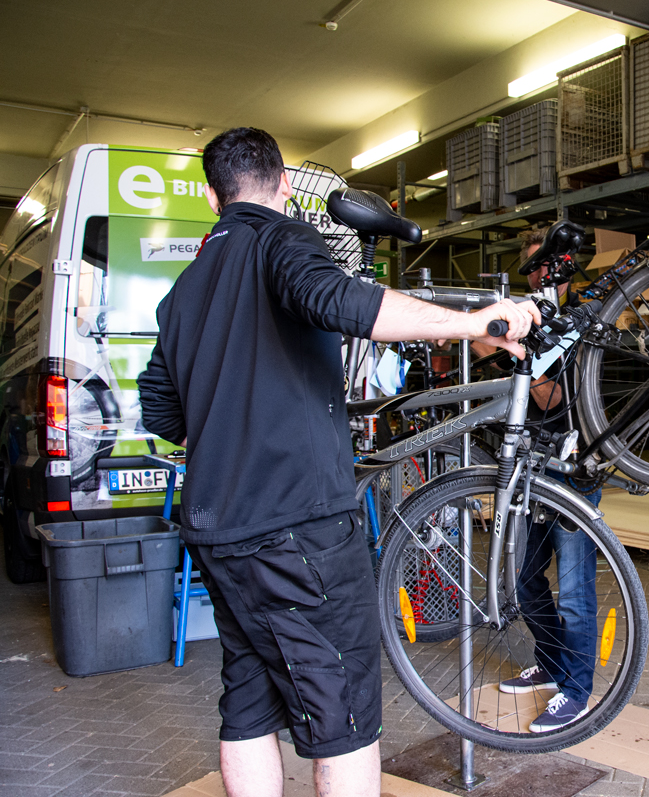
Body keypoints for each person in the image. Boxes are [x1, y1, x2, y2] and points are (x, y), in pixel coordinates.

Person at [136, 127, 539, 797]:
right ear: (286, 184)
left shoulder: (184, 289)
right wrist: (475, 323)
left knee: (248, 698)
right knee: (345, 716)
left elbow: (161, 408)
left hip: (217, 531)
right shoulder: (286, 240)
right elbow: (341, 302)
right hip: (299, 531)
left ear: (213, 197)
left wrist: (232, 420)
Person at [482, 228, 603, 733]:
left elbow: (556, 402)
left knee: (575, 591)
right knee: (526, 579)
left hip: (575, 470)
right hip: (534, 470)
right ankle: (552, 665)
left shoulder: (580, 325)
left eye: (542, 267)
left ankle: (575, 690)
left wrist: (524, 365)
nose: (535, 276)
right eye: (530, 268)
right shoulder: (534, 320)